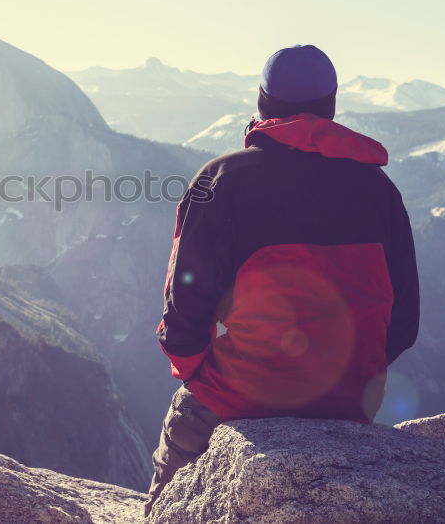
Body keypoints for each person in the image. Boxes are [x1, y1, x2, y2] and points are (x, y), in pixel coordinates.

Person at [144, 44, 420, 517]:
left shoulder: (222, 180)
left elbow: (184, 308)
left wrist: (198, 373)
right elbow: (402, 324)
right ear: (332, 106)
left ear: (262, 102)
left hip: (234, 400)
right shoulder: (380, 194)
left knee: (168, 504)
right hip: (347, 407)